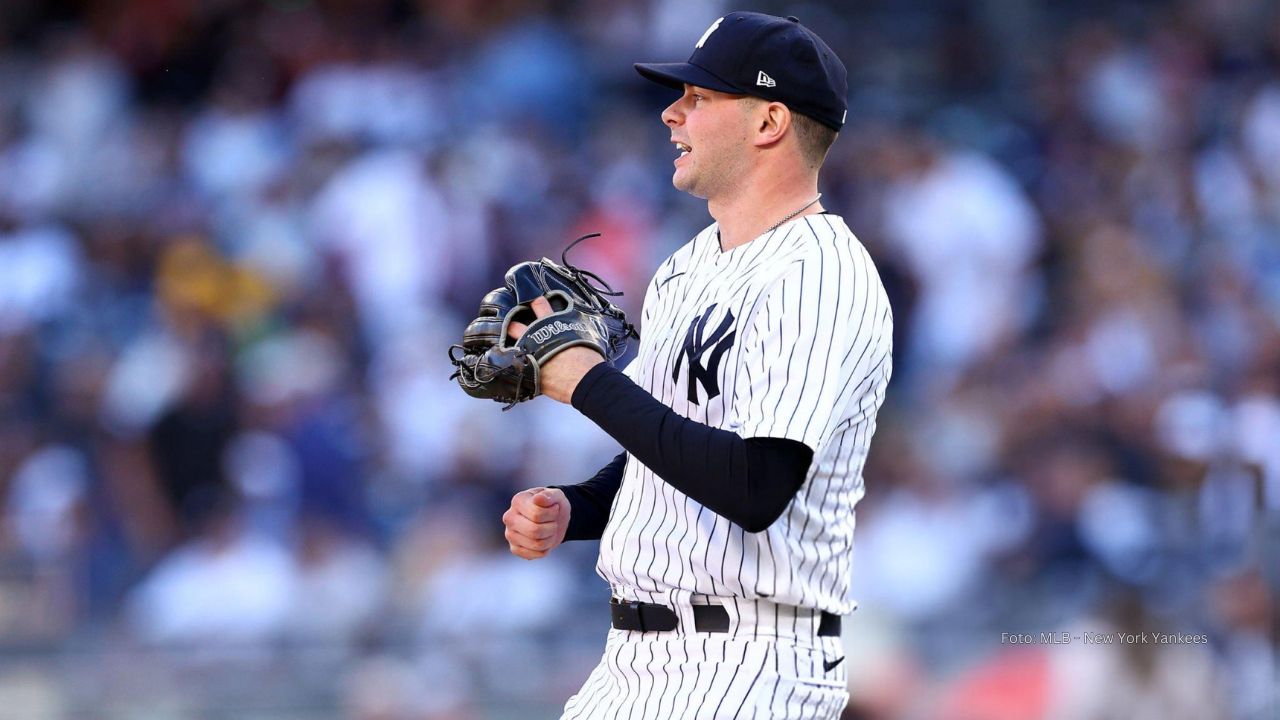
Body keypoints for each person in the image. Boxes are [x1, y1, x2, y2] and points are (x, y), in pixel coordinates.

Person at [501, 11, 893, 718]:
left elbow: (756, 483)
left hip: (751, 662)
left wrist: (588, 382)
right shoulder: (690, 266)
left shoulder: (821, 273)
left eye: (700, 98)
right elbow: (669, 449)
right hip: (632, 664)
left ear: (769, 121)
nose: (671, 112)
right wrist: (579, 507)